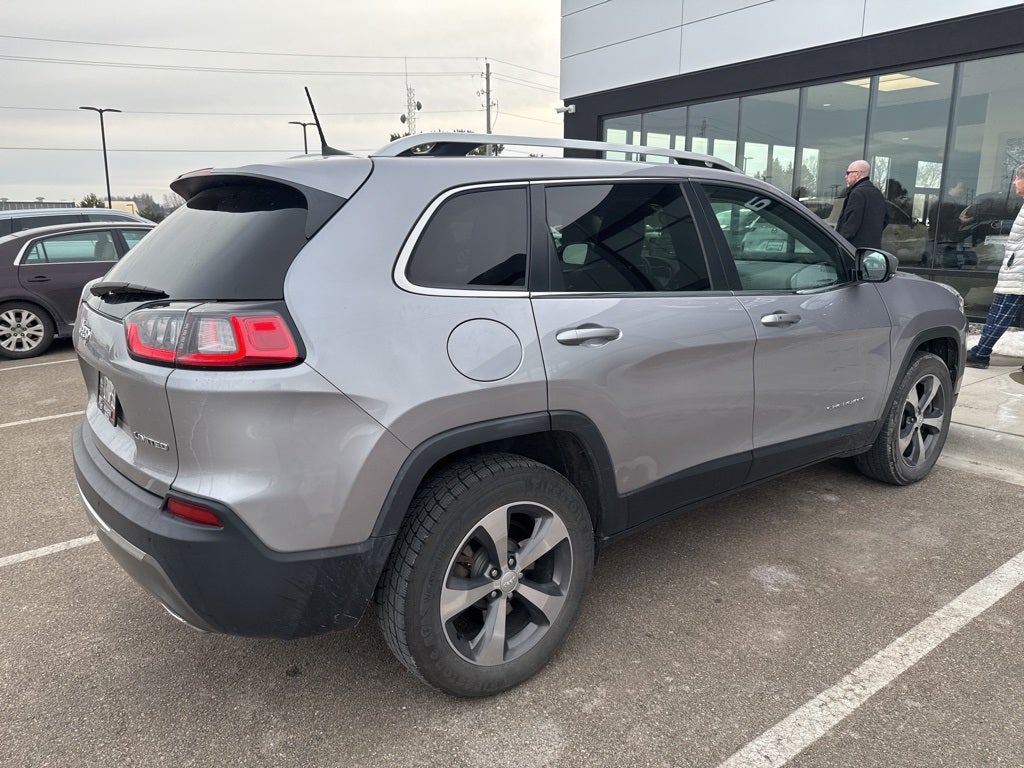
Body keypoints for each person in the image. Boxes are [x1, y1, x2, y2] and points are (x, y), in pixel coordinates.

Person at [966, 163, 1024, 369]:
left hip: (1018, 272)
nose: (1015, 182)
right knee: (1000, 311)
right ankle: (981, 352)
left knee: (1000, 313)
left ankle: (981, 354)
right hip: (1016, 269)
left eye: (1017, 178)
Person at [836, 160, 890, 249]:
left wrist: (839, 242)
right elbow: (886, 218)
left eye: (848, 173)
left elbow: (850, 226)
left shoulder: (857, 193)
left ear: (858, 174)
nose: (845, 176)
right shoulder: (878, 193)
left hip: (854, 250)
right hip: (873, 249)